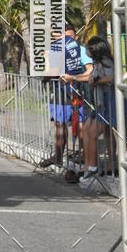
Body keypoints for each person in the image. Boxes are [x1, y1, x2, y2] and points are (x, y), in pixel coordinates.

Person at [40, 23, 93, 169]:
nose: (65, 39)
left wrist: (74, 78)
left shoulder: (80, 49)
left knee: (80, 125)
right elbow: (52, 72)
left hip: (77, 93)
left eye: (69, 36)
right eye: (62, 36)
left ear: (76, 36)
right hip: (59, 93)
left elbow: (90, 69)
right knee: (60, 124)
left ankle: (83, 156)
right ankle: (58, 156)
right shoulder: (55, 50)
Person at [80, 37, 119, 180]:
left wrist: (95, 80)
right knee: (103, 133)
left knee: (92, 132)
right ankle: (108, 166)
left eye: (88, 48)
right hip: (101, 103)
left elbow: (111, 78)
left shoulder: (106, 61)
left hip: (110, 101)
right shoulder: (97, 63)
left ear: (95, 49)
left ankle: (93, 167)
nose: (86, 50)